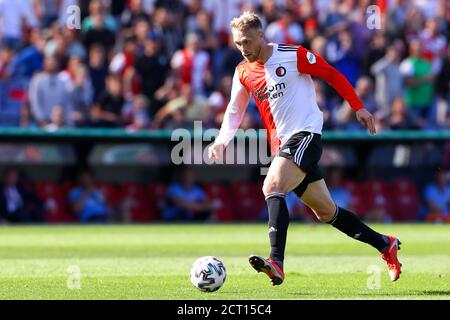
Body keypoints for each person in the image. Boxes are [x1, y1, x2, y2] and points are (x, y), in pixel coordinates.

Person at [208, 12, 402, 286]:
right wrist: (221, 140)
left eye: (248, 41)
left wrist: (358, 107)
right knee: (327, 212)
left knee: (272, 185)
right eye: (239, 43)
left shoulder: (292, 55)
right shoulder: (242, 71)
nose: (244, 48)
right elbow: (234, 110)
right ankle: (385, 244)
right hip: (282, 146)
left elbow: (332, 75)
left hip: (305, 135)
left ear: (261, 36)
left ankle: (276, 261)